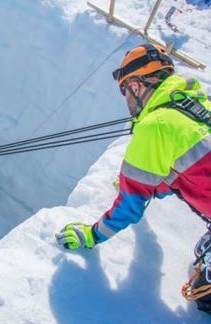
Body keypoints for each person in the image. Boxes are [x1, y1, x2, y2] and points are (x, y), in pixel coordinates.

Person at [55, 44, 211, 313]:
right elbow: (192, 171)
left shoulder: (155, 126)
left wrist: (91, 235)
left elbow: (129, 207)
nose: (127, 100)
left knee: (203, 296)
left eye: (125, 91)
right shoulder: (198, 104)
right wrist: (145, 183)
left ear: (136, 87)